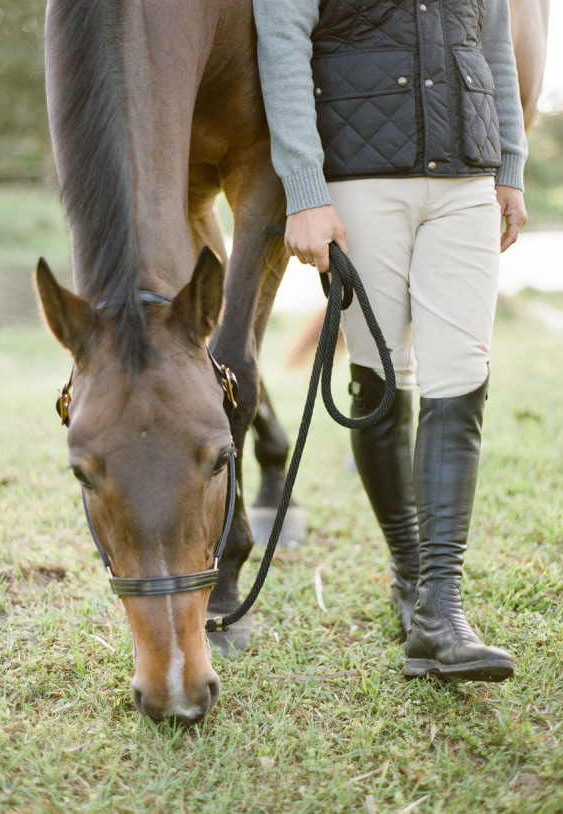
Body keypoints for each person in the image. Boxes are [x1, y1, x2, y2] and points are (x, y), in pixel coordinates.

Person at [254, 0, 528, 681]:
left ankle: (441, 607)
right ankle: (410, 575)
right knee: (380, 377)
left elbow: (493, 41)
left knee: (461, 378)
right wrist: (305, 189)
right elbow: (281, 43)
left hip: (466, 174)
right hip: (359, 181)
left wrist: (510, 165)